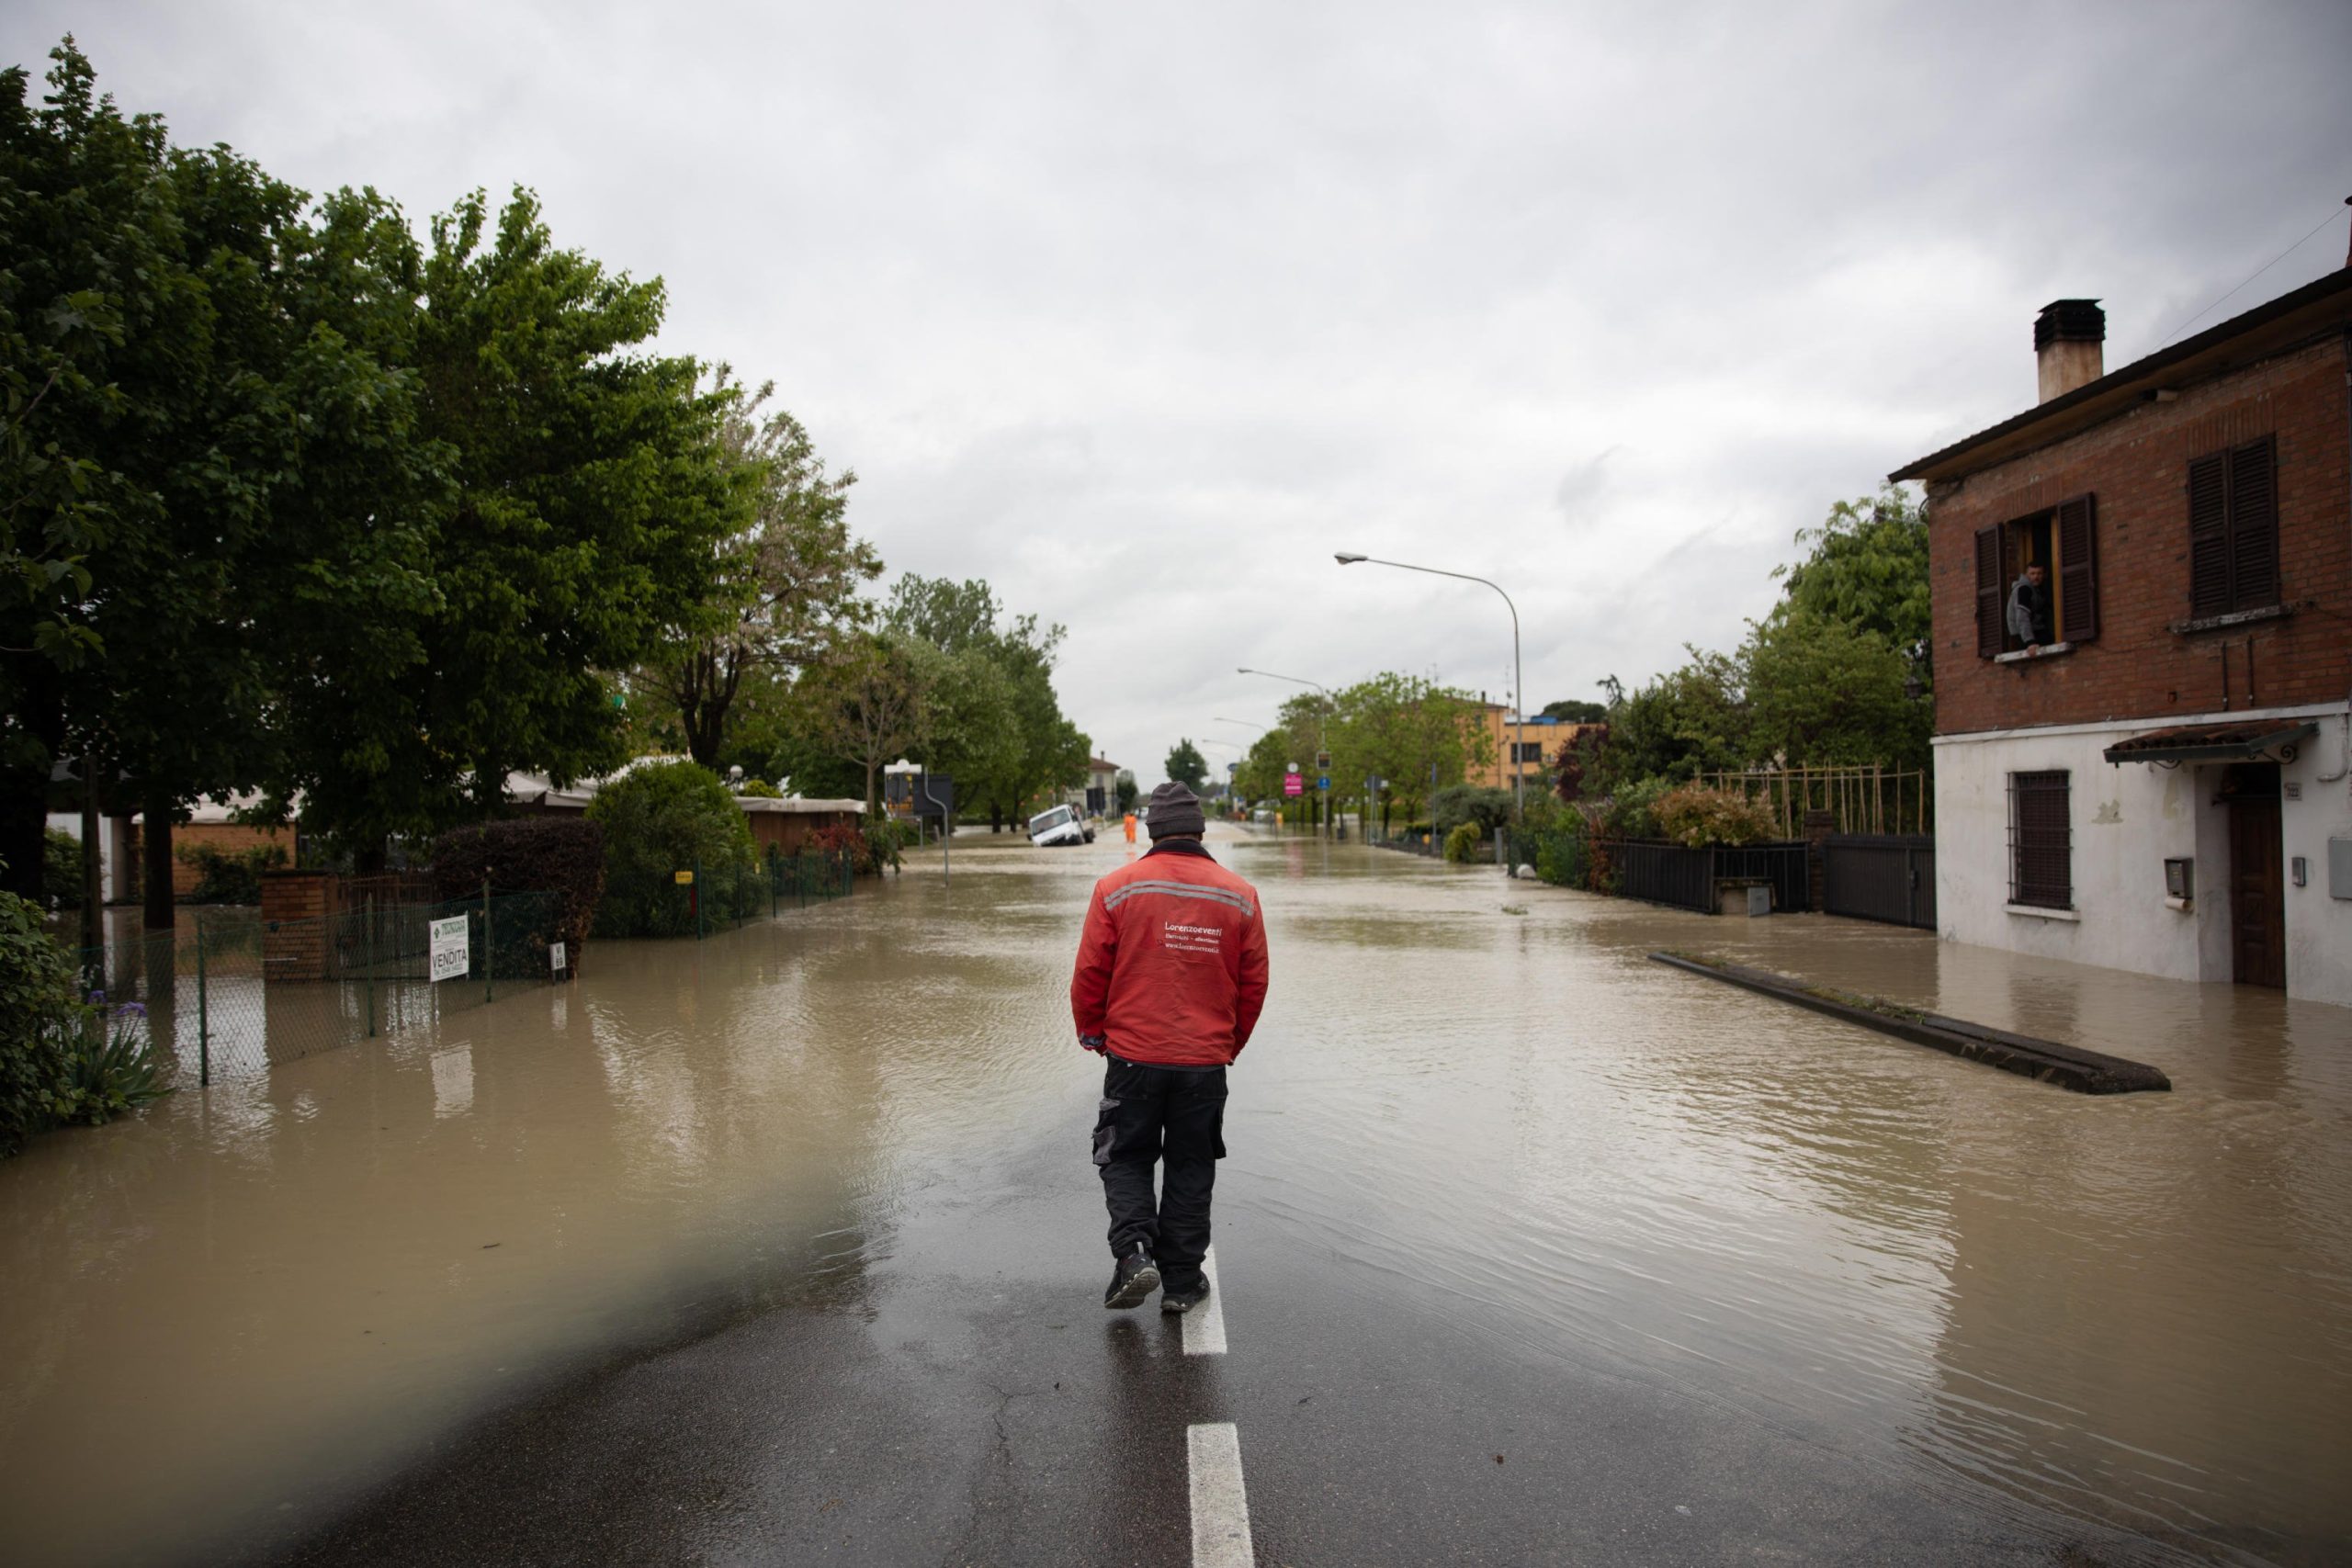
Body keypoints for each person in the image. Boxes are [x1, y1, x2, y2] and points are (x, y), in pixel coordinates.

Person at [1070, 782, 1269, 1313]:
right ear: (1200, 830)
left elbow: (1091, 971)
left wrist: (1093, 1031)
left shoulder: (1116, 888)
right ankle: (1182, 1283)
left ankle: (1135, 1255)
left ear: (1151, 830)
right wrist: (1229, 1044)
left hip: (1133, 1056)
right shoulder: (1239, 894)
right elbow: (1254, 985)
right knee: (1190, 1164)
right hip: (1204, 1062)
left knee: (1127, 1156)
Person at [2007, 559, 2054, 653]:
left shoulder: (2038, 591)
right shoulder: (2024, 590)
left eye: (2039, 573)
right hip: (2022, 636)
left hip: (2033, 632)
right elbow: (2022, 616)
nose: (2036, 577)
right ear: (2026, 575)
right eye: (2032, 574)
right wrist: (2030, 642)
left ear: (2045, 575)